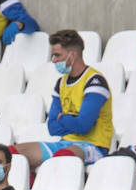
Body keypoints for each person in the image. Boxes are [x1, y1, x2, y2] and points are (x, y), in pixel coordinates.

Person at [14, 30, 114, 171]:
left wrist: (63, 118)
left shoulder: (95, 81)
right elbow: (52, 127)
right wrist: (70, 119)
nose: (53, 60)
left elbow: (83, 126)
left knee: (64, 157)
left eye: (57, 55)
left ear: (72, 55)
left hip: (93, 146)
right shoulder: (61, 83)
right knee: (10, 154)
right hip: (65, 143)